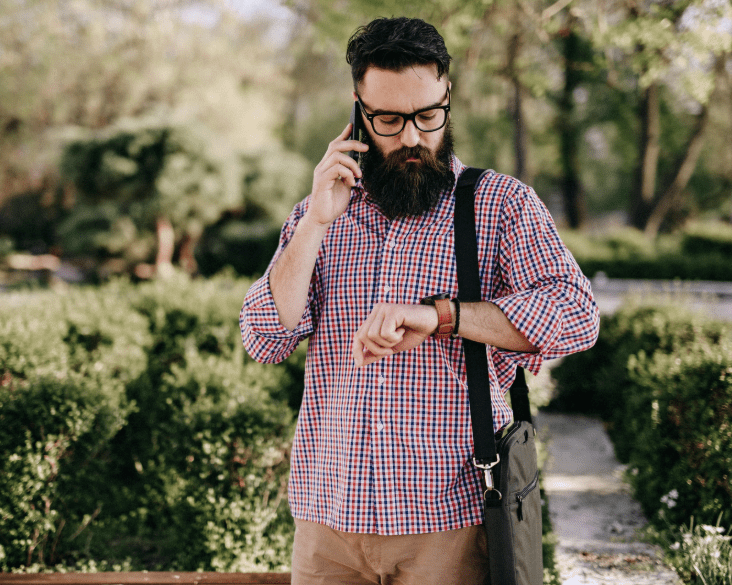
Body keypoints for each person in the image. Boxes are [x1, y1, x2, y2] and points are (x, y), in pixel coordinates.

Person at [240, 16, 599, 585]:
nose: (411, 137)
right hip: (327, 527)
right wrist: (314, 220)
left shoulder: (499, 205)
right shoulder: (319, 216)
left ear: (448, 98)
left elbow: (577, 316)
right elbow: (263, 339)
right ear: (359, 112)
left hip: (449, 527)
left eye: (428, 115)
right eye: (388, 119)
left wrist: (443, 315)